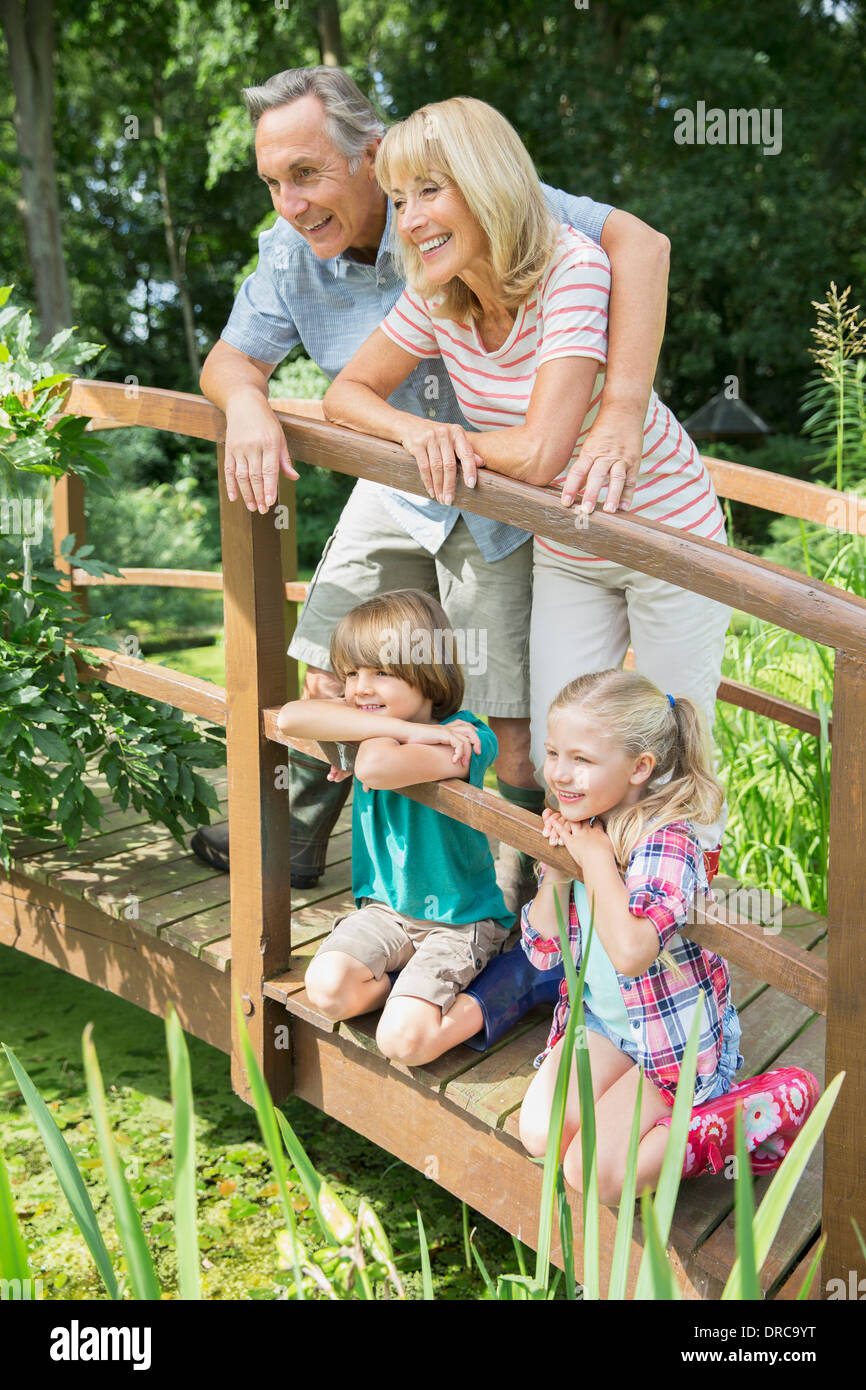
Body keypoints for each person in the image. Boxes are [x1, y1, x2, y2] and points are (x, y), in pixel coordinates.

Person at [194, 65, 673, 902]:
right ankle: (295, 832)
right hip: (399, 475)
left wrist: (622, 410)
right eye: (273, 182)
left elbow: (642, 242)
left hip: (503, 489)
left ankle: (526, 893)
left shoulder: (480, 199)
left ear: (372, 156)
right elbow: (233, 358)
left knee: (515, 728)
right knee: (329, 669)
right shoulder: (287, 252)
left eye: (307, 175)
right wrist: (246, 407)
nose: (290, 204)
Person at [321, 96, 731, 853]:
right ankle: (571, 945)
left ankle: (683, 947)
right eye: (401, 200)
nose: (409, 220)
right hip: (570, 545)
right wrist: (423, 432)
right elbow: (343, 395)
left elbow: (542, 452)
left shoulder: (570, 267)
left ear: (487, 183)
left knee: (677, 748)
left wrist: (452, 446)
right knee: (561, 753)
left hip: (667, 535)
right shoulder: (438, 293)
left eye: (430, 191)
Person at [516, 670, 743, 1206]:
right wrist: (558, 871)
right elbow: (544, 950)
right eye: (554, 753)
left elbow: (633, 951)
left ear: (640, 767)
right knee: (542, 1138)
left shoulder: (668, 841)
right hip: (605, 1024)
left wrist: (595, 862)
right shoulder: (584, 821)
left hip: (672, 1046)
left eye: (583, 760)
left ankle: (727, 1124)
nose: (560, 775)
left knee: (597, 1177)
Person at [276, 589, 513, 1065]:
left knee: (405, 1044)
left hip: (458, 920)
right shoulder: (390, 726)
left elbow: (377, 768)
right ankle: (409, 987)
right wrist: (414, 729)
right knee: (327, 990)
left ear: (430, 671)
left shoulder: (469, 737)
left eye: (381, 671)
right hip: (386, 913)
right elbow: (291, 715)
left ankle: (510, 987)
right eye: (351, 673)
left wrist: (384, 736)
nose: (361, 688)